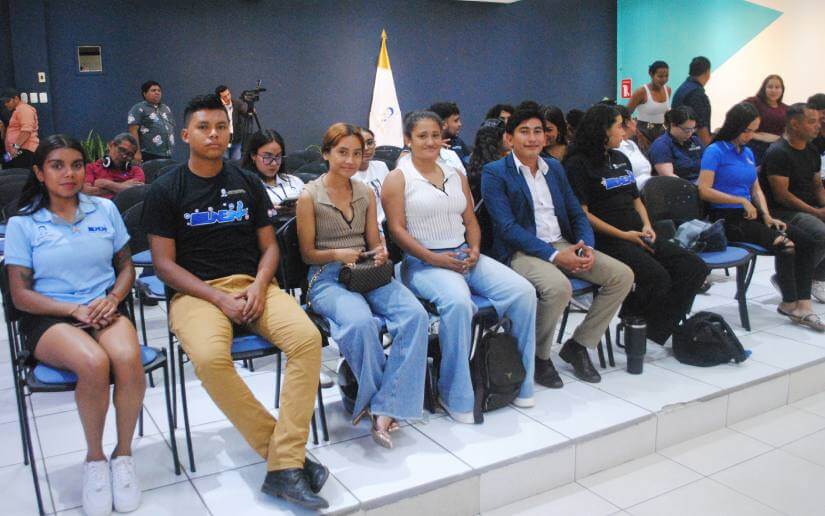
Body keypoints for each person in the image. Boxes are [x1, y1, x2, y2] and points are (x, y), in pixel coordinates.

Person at [141, 94, 329, 509]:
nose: (214, 134)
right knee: (210, 359)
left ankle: (284, 465)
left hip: (252, 285)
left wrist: (260, 286)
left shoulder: (247, 182)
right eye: (204, 127)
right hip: (196, 294)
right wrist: (217, 298)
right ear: (185, 135)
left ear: (229, 133)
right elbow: (164, 265)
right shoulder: (166, 190)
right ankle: (286, 459)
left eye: (221, 127)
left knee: (306, 339)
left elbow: (270, 247)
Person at [5, 135, 145, 516]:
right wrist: (73, 310)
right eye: (57, 165)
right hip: (50, 316)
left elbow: (126, 267)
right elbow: (20, 295)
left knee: (128, 358)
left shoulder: (104, 209)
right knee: (94, 362)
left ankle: (123, 456)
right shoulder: (23, 223)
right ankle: (95, 460)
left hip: (104, 306)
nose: (69, 173)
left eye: (77, 165)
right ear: (39, 172)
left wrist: (113, 298)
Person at [383, 110, 538, 422]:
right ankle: (454, 394)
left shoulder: (456, 173)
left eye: (435, 135)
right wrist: (434, 259)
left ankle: (520, 382)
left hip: (463, 254)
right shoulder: (397, 178)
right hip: (422, 263)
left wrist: (476, 249)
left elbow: (470, 221)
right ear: (408, 139)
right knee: (458, 304)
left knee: (524, 292)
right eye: (422, 136)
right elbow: (397, 231)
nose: (430, 142)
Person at [297, 122, 428, 448]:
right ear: (326, 154)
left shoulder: (366, 192)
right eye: (342, 152)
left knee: (415, 315)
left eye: (356, 153)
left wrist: (380, 250)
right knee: (360, 323)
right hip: (326, 277)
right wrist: (337, 253)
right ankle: (380, 405)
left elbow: (373, 241)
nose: (350, 160)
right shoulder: (309, 196)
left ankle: (384, 406)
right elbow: (306, 253)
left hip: (366, 272)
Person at [481, 107, 633, 387]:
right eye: (524, 132)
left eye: (538, 131)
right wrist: (554, 255)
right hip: (521, 250)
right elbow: (507, 227)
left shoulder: (554, 168)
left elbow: (576, 213)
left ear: (546, 137)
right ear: (509, 138)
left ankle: (579, 345)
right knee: (558, 287)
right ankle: (539, 356)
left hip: (562, 242)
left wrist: (585, 246)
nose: (532, 138)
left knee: (622, 276)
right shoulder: (495, 173)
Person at [565, 105, 706, 344]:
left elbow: (636, 199)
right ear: (602, 130)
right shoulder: (577, 164)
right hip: (607, 239)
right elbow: (583, 214)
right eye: (619, 125)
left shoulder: (620, 158)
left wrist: (647, 225)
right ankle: (633, 320)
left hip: (638, 233)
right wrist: (624, 235)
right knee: (657, 276)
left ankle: (656, 330)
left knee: (693, 266)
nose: (625, 130)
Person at [698, 102, 824, 332]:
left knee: (807, 241)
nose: (750, 136)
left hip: (750, 214)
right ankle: (789, 303)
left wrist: (767, 215)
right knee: (785, 244)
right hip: (726, 217)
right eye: (747, 130)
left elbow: (756, 189)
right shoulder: (715, 151)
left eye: (754, 131)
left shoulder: (746, 153)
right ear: (735, 126)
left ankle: (804, 305)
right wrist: (739, 200)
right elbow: (704, 190)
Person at [762, 103, 825, 303]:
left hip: (806, 208)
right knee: (820, 232)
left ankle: (815, 278)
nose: (818, 126)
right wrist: (816, 212)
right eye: (812, 122)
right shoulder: (778, 152)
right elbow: (782, 196)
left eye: (819, 121)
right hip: (781, 211)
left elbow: (817, 186)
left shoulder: (812, 150)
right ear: (795, 124)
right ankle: (787, 279)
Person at [241, 129, 304, 221]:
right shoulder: (244, 186)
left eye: (278, 157)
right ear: (253, 155)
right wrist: (265, 211)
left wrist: (302, 207)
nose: (274, 163)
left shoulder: (295, 181)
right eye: (267, 157)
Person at [649, 106, 704, 182]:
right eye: (686, 130)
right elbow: (669, 177)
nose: (690, 133)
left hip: (701, 181)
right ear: (673, 125)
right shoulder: (661, 145)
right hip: (680, 185)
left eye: (693, 129)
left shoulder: (695, 141)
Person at [83, 133, 145, 199]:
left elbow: (137, 192)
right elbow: (87, 192)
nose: (124, 156)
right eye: (122, 150)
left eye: (129, 154)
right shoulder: (90, 168)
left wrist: (105, 183)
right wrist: (123, 186)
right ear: (111, 145)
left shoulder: (136, 171)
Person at [626, 60, 671, 151]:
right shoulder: (641, 92)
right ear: (651, 74)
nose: (664, 79)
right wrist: (637, 134)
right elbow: (625, 114)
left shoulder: (668, 90)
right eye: (660, 76)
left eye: (666, 76)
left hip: (662, 132)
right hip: (643, 133)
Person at [744, 75, 788, 165]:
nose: (773, 90)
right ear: (764, 88)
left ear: (782, 90)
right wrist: (756, 136)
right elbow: (739, 118)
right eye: (770, 87)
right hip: (754, 146)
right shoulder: (753, 102)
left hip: (776, 149)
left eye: (777, 87)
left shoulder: (786, 109)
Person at [127, 81, 174, 163]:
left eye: (159, 90)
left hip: (166, 153)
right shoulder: (138, 108)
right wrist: (136, 152)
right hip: (148, 154)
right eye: (153, 90)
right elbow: (133, 131)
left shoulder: (165, 108)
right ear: (145, 94)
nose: (157, 93)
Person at [353, 127, 391, 228]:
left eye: (370, 143)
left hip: (387, 225)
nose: (366, 148)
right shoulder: (346, 175)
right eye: (360, 144)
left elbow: (392, 199)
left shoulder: (381, 166)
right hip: (363, 229)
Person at [672, 56, 712, 146]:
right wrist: (708, 148)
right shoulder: (696, 94)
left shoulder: (683, 88)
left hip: (678, 142)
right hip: (692, 146)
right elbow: (701, 128)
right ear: (707, 72)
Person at [467, 119, 507, 203]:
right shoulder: (497, 172)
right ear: (497, 140)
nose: (510, 138)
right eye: (506, 134)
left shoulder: (470, 167)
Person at [615, 105, 653, 189]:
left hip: (649, 188)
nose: (635, 122)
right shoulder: (616, 147)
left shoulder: (632, 143)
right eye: (632, 119)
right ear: (627, 122)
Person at [1, 87, 39, 169]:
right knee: (5, 163)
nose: (6, 104)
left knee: (19, 173)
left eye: (8, 101)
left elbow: (26, 131)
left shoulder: (24, 109)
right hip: (14, 150)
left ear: (16, 98)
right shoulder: (17, 110)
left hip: (24, 150)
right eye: (4, 102)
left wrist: (16, 147)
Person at [215, 85, 248, 161]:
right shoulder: (217, 107)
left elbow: (245, 113)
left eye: (228, 94)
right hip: (222, 141)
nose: (228, 97)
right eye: (225, 96)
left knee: (235, 164)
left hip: (236, 140)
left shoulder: (237, 104)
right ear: (220, 98)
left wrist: (249, 109)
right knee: (224, 163)